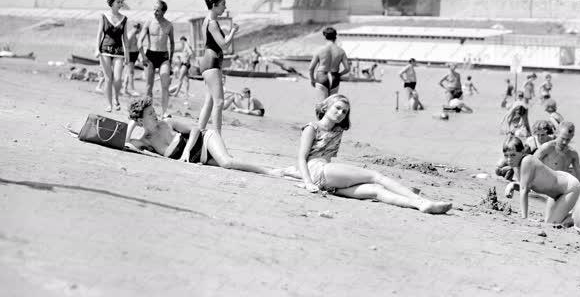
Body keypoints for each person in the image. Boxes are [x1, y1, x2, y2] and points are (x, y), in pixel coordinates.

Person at [283, 94, 452, 215]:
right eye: (338, 108)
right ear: (326, 107)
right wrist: (307, 182)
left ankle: (418, 205)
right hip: (317, 170)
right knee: (374, 176)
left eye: (344, 112)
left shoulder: (337, 131)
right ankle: (421, 199)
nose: (341, 113)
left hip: (327, 180)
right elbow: (301, 158)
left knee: (375, 191)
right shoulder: (311, 128)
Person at [124, 98, 279, 175]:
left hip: (206, 140)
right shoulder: (145, 142)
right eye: (150, 114)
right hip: (202, 159)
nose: (155, 115)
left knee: (227, 163)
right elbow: (126, 143)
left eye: (154, 111)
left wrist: (186, 152)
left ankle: (270, 172)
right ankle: (285, 171)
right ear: (140, 120)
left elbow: (196, 129)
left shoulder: (167, 123)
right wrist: (132, 123)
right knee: (235, 165)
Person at [191, 0, 238, 139]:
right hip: (212, 63)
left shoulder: (207, 20)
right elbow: (224, 45)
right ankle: (217, 138)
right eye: (223, 4)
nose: (225, 7)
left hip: (207, 63)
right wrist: (233, 32)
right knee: (219, 102)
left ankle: (198, 133)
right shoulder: (212, 23)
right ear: (214, 5)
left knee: (210, 101)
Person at [502, 135, 580, 224]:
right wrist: (512, 185)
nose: (509, 159)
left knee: (552, 224)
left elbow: (523, 190)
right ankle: (567, 214)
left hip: (569, 187)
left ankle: (577, 216)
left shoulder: (527, 161)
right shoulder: (515, 165)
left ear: (522, 151)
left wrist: (524, 219)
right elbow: (528, 187)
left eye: (513, 155)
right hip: (555, 191)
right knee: (548, 222)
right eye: (506, 156)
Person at [94, 0, 129, 113]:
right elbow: (99, 34)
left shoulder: (124, 19)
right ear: (112, 2)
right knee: (108, 79)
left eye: (121, 2)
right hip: (104, 50)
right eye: (118, 2)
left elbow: (125, 38)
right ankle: (109, 104)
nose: (120, 4)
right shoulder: (103, 16)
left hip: (119, 51)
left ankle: (116, 97)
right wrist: (96, 49)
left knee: (118, 79)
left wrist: (128, 54)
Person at [140, 0, 175, 117]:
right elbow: (140, 41)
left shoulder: (169, 25)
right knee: (149, 86)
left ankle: (164, 112)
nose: (155, 12)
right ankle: (147, 112)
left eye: (158, 10)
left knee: (165, 85)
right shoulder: (149, 22)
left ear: (163, 11)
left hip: (164, 56)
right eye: (154, 9)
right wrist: (143, 56)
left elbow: (173, 43)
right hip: (150, 56)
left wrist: (171, 60)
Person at [534, 122, 580, 187]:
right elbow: (530, 164)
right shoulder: (547, 147)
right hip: (544, 184)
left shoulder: (572, 154)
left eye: (568, 139)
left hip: (559, 186)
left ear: (572, 136)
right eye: (562, 138)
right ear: (557, 133)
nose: (564, 142)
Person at [309, 27, 350, 101]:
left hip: (322, 76)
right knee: (331, 104)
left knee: (322, 105)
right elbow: (347, 68)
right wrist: (339, 75)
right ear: (335, 37)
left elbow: (311, 68)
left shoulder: (319, 50)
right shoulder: (341, 51)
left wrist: (312, 80)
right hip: (334, 77)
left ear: (325, 36)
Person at [169, 35, 194, 100]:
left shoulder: (186, 45)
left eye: (181, 41)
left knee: (180, 79)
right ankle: (186, 94)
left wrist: (187, 60)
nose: (180, 43)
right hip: (186, 64)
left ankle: (176, 93)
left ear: (182, 40)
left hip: (185, 64)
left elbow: (190, 53)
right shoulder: (187, 45)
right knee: (186, 80)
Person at [123, 22, 141, 97]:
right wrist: (126, 57)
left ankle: (125, 89)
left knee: (128, 72)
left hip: (133, 55)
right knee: (130, 73)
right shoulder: (131, 34)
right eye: (140, 29)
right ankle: (132, 90)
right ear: (138, 28)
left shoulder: (133, 33)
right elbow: (126, 46)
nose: (140, 31)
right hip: (130, 55)